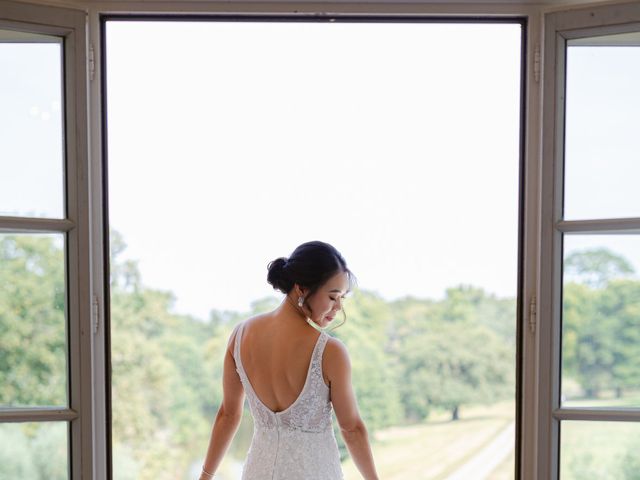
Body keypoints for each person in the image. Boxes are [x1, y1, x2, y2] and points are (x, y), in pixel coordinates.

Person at [199, 241, 379, 480]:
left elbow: (228, 415)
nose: (338, 308)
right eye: (332, 297)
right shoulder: (330, 352)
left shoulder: (240, 335)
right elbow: (352, 429)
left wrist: (205, 476)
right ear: (301, 288)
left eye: (342, 298)